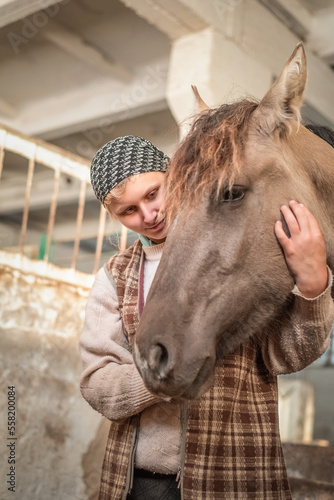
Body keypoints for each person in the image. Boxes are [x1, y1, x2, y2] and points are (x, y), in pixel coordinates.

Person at [79, 135, 334, 500]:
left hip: (239, 477)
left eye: (153, 194)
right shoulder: (114, 277)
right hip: (144, 481)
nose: (149, 215)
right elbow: (97, 384)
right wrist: (162, 375)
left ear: (176, 177)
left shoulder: (242, 249)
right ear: (114, 216)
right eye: (129, 210)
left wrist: (313, 287)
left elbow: (286, 357)